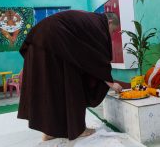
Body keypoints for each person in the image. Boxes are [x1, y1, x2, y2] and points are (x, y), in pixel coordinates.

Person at [18, 10, 123, 141]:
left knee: (52, 88)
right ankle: (78, 129)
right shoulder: (99, 25)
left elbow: (87, 54)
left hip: (39, 41)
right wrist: (111, 83)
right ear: (110, 22)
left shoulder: (90, 20)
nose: (111, 35)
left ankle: (50, 131)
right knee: (73, 84)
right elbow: (97, 59)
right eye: (113, 31)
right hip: (54, 40)